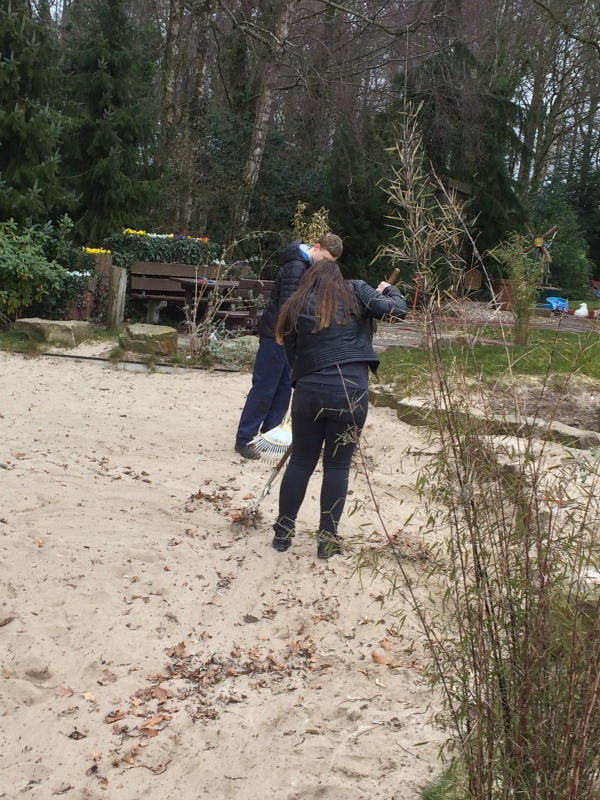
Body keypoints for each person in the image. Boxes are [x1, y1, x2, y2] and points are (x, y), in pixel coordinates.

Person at [271, 260, 407, 558]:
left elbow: (292, 355)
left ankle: (283, 532)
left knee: (301, 462)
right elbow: (398, 310)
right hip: (351, 392)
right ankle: (326, 540)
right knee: (337, 466)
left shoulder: (296, 303)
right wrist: (390, 291)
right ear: (340, 278)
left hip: (309, 390)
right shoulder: (357, 290)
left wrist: (308, 379)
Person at [234, 233, 343, 459]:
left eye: (330, 263)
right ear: (316, 247)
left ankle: (269, 435)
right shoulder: (296, 267)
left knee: (283, 388)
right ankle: (244, 439)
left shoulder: (308, 266)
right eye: (325, 259)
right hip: (277, 335)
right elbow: (290, 307)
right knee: (265, 386)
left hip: (290, 337)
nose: (325, 265)